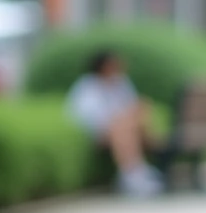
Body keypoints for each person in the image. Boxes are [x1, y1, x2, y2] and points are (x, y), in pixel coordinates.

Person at [66, 50, 163, 198]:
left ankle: (136, 172)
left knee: (135, 117)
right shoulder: (88, 87)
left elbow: (131, 105)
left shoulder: (121, 83)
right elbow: (88, 117)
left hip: (123, 127)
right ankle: (135, 174)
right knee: (122, 128)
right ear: (103, 67)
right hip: (101, 132)